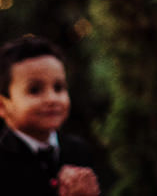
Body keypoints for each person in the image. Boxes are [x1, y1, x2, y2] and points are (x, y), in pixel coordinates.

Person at [0, 35, 101, 196]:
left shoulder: (78, 150)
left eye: (59, 87)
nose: (52, 99)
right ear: (3, 105)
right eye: (34, 90)